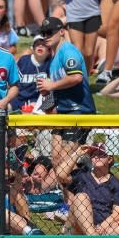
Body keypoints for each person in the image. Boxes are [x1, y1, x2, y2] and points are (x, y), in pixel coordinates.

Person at [36, 17, 96, 167]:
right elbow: (56, 89)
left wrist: (50, 86)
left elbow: (76, 77)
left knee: (65, 162)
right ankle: (77, 187)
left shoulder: (68, 51)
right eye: (43, 33)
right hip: (63, 113)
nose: (46, 37)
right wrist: (47, 95)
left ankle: (84, 188)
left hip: (79, 112)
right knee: (56, 160)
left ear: (62, 31)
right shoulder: (53, 58)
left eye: (49, 32)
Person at [56, 141, 119, 235]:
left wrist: (103, 225)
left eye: (101, 154)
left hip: (102, 228)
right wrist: (77, 153)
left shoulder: (116, 184)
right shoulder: (82, 174)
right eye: (93, 154)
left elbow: (118, 213)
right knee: (81, 197)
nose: (96, 157)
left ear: (109, 159)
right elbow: (60, 174)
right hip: (78, 226)